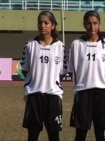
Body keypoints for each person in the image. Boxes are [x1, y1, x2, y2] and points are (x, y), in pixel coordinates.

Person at [68, 10, 105, 141]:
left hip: (102, 93)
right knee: (81, 133)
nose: (92, 27)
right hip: (83, 92)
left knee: (101, 132)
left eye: (95, 23)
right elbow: (72, 69)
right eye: (89, 23)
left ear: (99, 24)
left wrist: (102, 81)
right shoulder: (76, 44)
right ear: (84, 25)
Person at [20, 10, 67, 141]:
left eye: (46, 22)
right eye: (40, 22)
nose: (42, 25)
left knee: (54, 134)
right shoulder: (29, 45)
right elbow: (25, 70)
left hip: (53, 96)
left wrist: (50, 82)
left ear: (53, 25)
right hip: (34, 95)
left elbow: (62, 72)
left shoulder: (60, 47)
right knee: (33, 134)